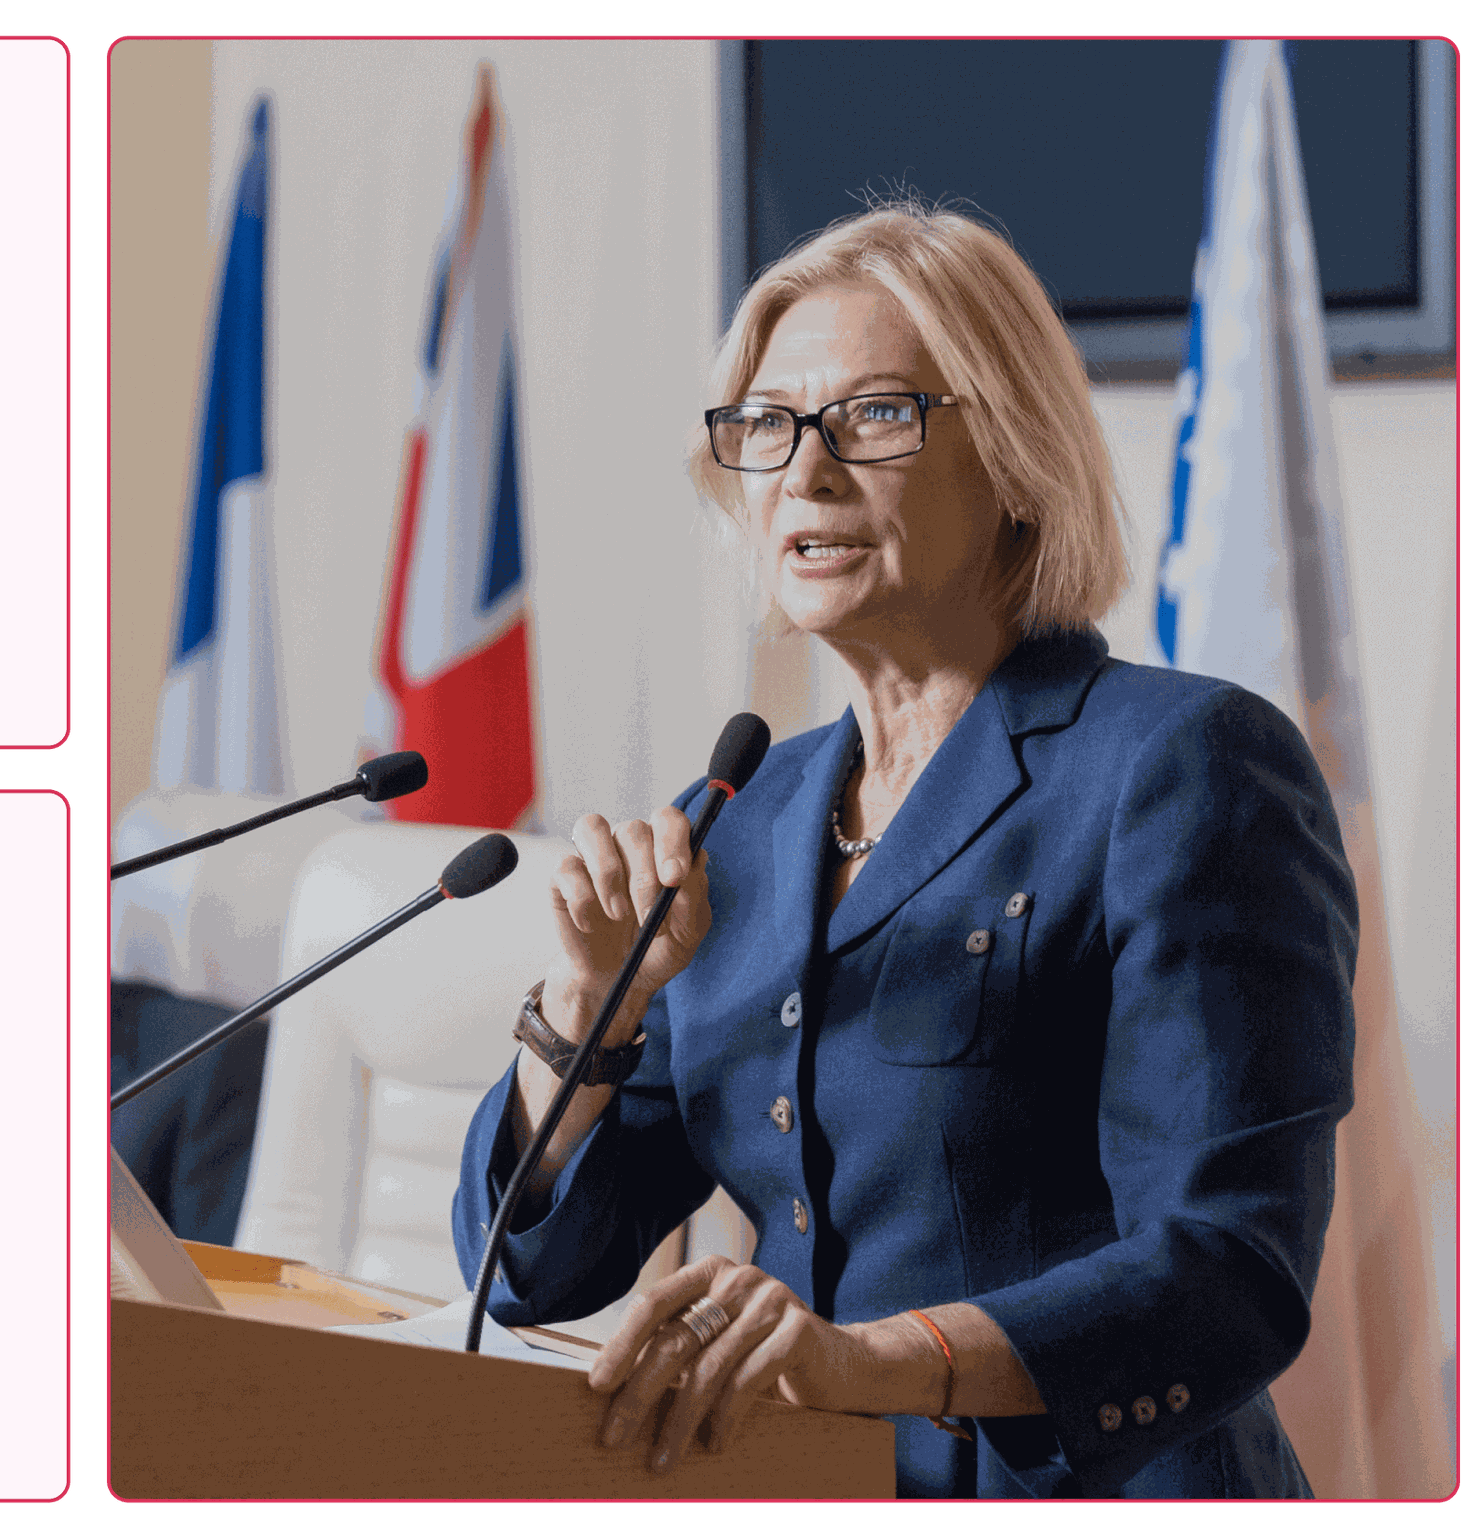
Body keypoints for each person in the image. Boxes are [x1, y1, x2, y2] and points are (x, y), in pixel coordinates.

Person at [451, 202, 1356, 1498]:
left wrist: (871, 1361)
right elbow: (532, 1271)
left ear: (1014, 458)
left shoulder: (1184, 764)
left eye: (874, 416)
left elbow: (1230, 1268)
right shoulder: (742, 821)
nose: (803, 475)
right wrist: (589, 1012)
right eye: (764, 428)